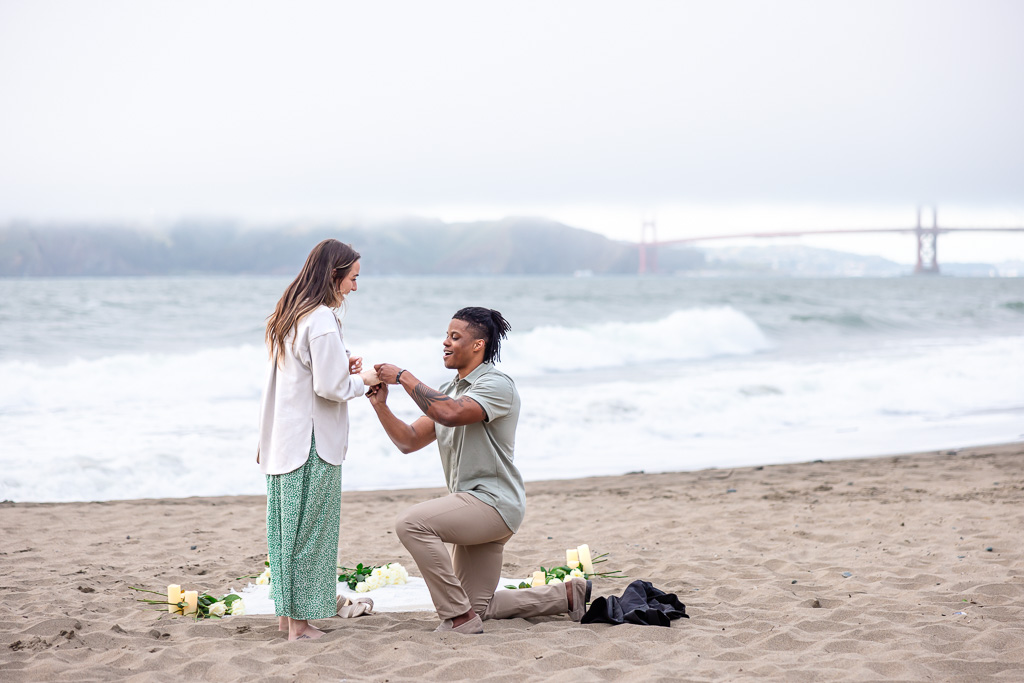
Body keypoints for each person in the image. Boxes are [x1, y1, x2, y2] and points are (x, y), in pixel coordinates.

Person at [367, 307, 590, 634]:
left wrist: (403, 376)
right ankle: (567, 595)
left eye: (455, 337)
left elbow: (451, 414)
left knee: (411, 524)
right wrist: (381, 406)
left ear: (478, 345)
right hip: (473, 505)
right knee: (478, 606)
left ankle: (457, 619)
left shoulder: (496, 385)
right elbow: (409, 440)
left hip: (493, 504)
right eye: (446, 335)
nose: (445, 342)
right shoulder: (451, 390)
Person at [257, 239, 380, 641]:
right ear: (334, 275)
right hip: (312, 444)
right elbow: (330, 387)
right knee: (312, 534)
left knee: (285, 532)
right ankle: (301, 628)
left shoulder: (289, 315)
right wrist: (364, 380)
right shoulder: (323, 318)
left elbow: (305, 375)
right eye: (353, 278)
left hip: (284, 440)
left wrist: (340, 364)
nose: (355, 288)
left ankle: (286, 617)